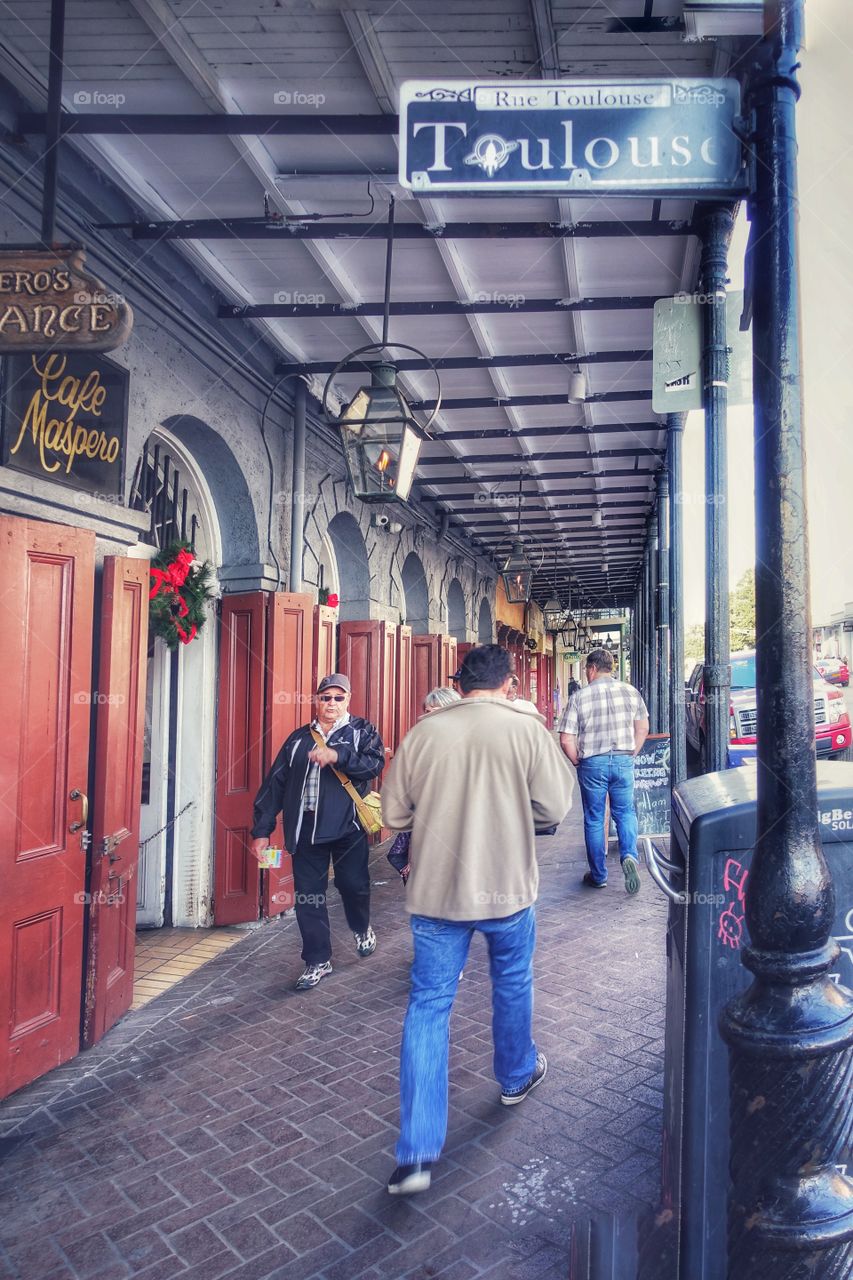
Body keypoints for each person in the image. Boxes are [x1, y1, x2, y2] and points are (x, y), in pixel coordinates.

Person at [381, 644, 575, 1195]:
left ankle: (416, 1152)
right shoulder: (525, 730)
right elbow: (555, 808)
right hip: (507, 888)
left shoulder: (424, 733)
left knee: (428, 1006)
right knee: (511, 981)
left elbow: (393, 814)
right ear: (510, 683)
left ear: (459, 682)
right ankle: (516, 1077)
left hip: (437, 894)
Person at [250, 673, 385, 990]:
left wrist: (338, 755)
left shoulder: (361, 731)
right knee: (308, 898)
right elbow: (274, 786)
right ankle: (317, 960)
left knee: (354, 886)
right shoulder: (298, 739)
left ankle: (361, 927)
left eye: (339, 698)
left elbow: (374, 765)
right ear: (317, 700)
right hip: (305, 830)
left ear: (348, 700)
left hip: (347, 828)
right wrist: (262, 830)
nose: (332, 704)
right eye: (326, 697)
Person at [558, 648, 649, 894]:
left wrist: (577, 761)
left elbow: (566, 738)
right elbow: (642, 728)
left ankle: (598, 875)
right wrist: (632, 753)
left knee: (595, 818)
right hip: (622, 759)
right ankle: (630, 855)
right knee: (626, 812)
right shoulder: (631, 692)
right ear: (612, 668)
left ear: (591, 669)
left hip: (593, 763)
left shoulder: (579, 697)